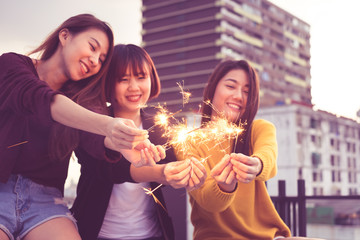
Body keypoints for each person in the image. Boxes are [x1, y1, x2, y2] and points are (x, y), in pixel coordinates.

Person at [0, 15, 157, 240]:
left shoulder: (84, 98)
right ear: (65, 35)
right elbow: (41, 98)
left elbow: (93, 137)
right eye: (92, 47)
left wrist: (121, 143)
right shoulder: (11, 65)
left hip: (45, 201)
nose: (95, 60)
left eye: (102, 59)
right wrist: (108, 125)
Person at [174, 60, 323, 240]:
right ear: (212, 88)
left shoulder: (258, 129)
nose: (239, 96)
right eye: (231, 86)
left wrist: (257, 165)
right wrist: (225, 187)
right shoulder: (188, 141)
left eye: (247, 91)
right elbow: (208, 201)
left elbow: (268, 155)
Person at [71, 44, 207, 240]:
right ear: (108, 83)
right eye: (123, 80)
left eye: (141, 77)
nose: (134, 87)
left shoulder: (162, 127)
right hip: (96, 234)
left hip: (152, 234)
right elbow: (110, 170)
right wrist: (162, 173)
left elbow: (176, 169)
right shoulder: (93, 124)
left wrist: (191, 175)